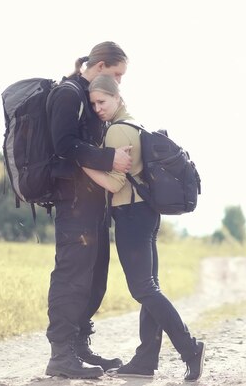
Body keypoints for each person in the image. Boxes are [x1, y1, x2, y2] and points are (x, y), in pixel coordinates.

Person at [82, 74, 206, 382]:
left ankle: (190, 348)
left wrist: (81, 161)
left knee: (143, 289)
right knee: (150, 287)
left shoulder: (117, 132)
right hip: (146, 214)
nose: (98, 108)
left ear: (117, 97)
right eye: (93, 103)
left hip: (131, 215)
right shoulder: (134, 123)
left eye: (102, 101)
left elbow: (114, 182)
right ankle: (145, 359)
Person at [45, 42, 133, 379]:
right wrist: (110, 159)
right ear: (99, 66)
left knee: (95, 280)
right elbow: (63, 145)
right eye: (116, 74)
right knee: (72, 278)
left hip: (95, 205)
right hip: (73, 205)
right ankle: (61, 355)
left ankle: (79, 346)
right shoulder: (69, 94)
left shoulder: (90, 99)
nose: (118, 83)